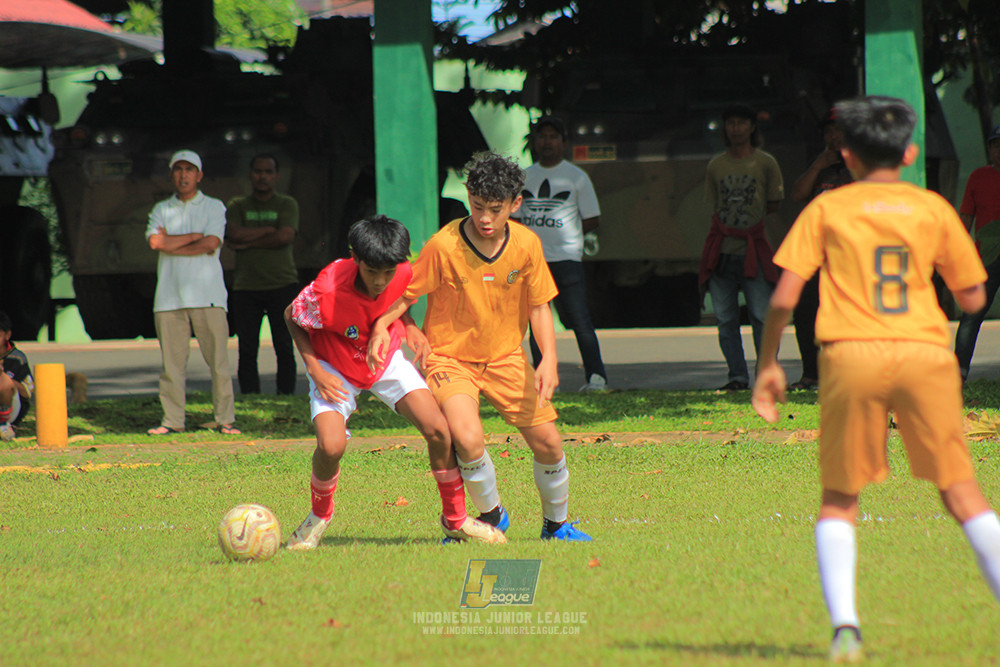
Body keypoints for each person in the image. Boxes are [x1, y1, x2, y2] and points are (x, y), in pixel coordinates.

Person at [752, 96, 1000, 663]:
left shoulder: (827, 208)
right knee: (961, 493)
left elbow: (785, 298)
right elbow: (972, 297)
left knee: (840, 498)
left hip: (849, 355)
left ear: (846, 153)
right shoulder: (931, 207)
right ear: (911, 152)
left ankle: (845, 629)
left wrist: (769, 364)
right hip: (924, 354)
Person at [368, 152, 592, 542]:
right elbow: (404, 295)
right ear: (468, 197)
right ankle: (491, 515)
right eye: (477, 207)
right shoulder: (443, 245)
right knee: (467, 438)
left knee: (550, 444)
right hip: (449, 359)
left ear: (515, 204)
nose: (485, 218)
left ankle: (556, 525)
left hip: (507, 358)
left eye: (495, 209)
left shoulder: (526, 245)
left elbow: (540, 306)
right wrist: (386, 326)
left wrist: (550, 360)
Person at [283, 215, 505, 548]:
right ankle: (319, 516)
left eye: (388, 273)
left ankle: (455, 520)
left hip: (384, 359)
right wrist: (315, 369)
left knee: (439, 430)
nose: (381, 281)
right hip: (336, 366)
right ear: (355, 258)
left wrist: (411, 326)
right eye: (372, 272)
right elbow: (292, 316)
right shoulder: (328, 288)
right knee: (331, 446)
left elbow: (400, 302)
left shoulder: (402, 272)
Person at [145, 150, 239, 436]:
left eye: (189, 169)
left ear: (199, 175)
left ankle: (225, 419)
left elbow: (211, 243)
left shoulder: (213, 206)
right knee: (171, 367)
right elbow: (154, 242)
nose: (183, 174)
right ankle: (172, 420)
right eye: (178, 169)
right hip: (168, 298)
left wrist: (171, 242)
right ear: (172, 174)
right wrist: (192, 237)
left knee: (218, 363)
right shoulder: (162, 209)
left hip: (208, 296)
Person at [513, 115, 608, 392]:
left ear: (564, 143)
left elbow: (592, 218)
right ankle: (542, 379)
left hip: (566, 259)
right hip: (533, 261)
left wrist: (566, 228)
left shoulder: (576, 177)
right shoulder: (526, 176)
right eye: (542, 136)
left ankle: (596, 377)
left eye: (553, 137)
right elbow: (515, 217)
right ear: (535, 142)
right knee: (536, 321)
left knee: (579, 319)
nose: (547, 142)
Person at [699, 105, 784, 391]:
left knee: (761, 315)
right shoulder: (716, 165)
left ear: (751, 127)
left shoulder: (765, 163)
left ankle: (765, 374)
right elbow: (711, 206)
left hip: (754, 250)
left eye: (741, 123)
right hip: (722, 250)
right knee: (725, 318)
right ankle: (737, 376)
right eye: (730, 123)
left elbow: (773, 204)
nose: (735, 128)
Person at [786, 110, 853, 391]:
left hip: (850, 255)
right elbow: (797, 194)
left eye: (839, 130)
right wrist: (818, 165)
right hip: (816, 253)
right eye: (829, 131)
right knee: (806, 312)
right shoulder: (820, 164)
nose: (834, 136)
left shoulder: (862, 165)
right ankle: (811, 375)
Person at [225, 154, 300, 395]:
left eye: (268, 172)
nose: (262, 176)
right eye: (258, 171)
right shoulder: (237, 205)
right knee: (247, 348)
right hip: (246, 287)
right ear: (250, 175)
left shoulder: (287, 204)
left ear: (276, 176)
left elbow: (285, 236)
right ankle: (250, 396)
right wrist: (269, 231)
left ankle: (287, 396)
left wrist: (247, 242)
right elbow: (233, 234)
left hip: (282, 284)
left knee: (284, 346)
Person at [954, 124, 1000, 382]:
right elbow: (966, 217)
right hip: (984, 259)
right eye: (996, 145)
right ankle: (958, 370)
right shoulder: (978, 177)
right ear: (990, 149)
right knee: (972, 315)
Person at [0, 311, 33, 442]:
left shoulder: (17, 358)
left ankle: (3, 425)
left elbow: (27, 392)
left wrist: (4, 376)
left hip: (11, 408)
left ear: (7, 335)